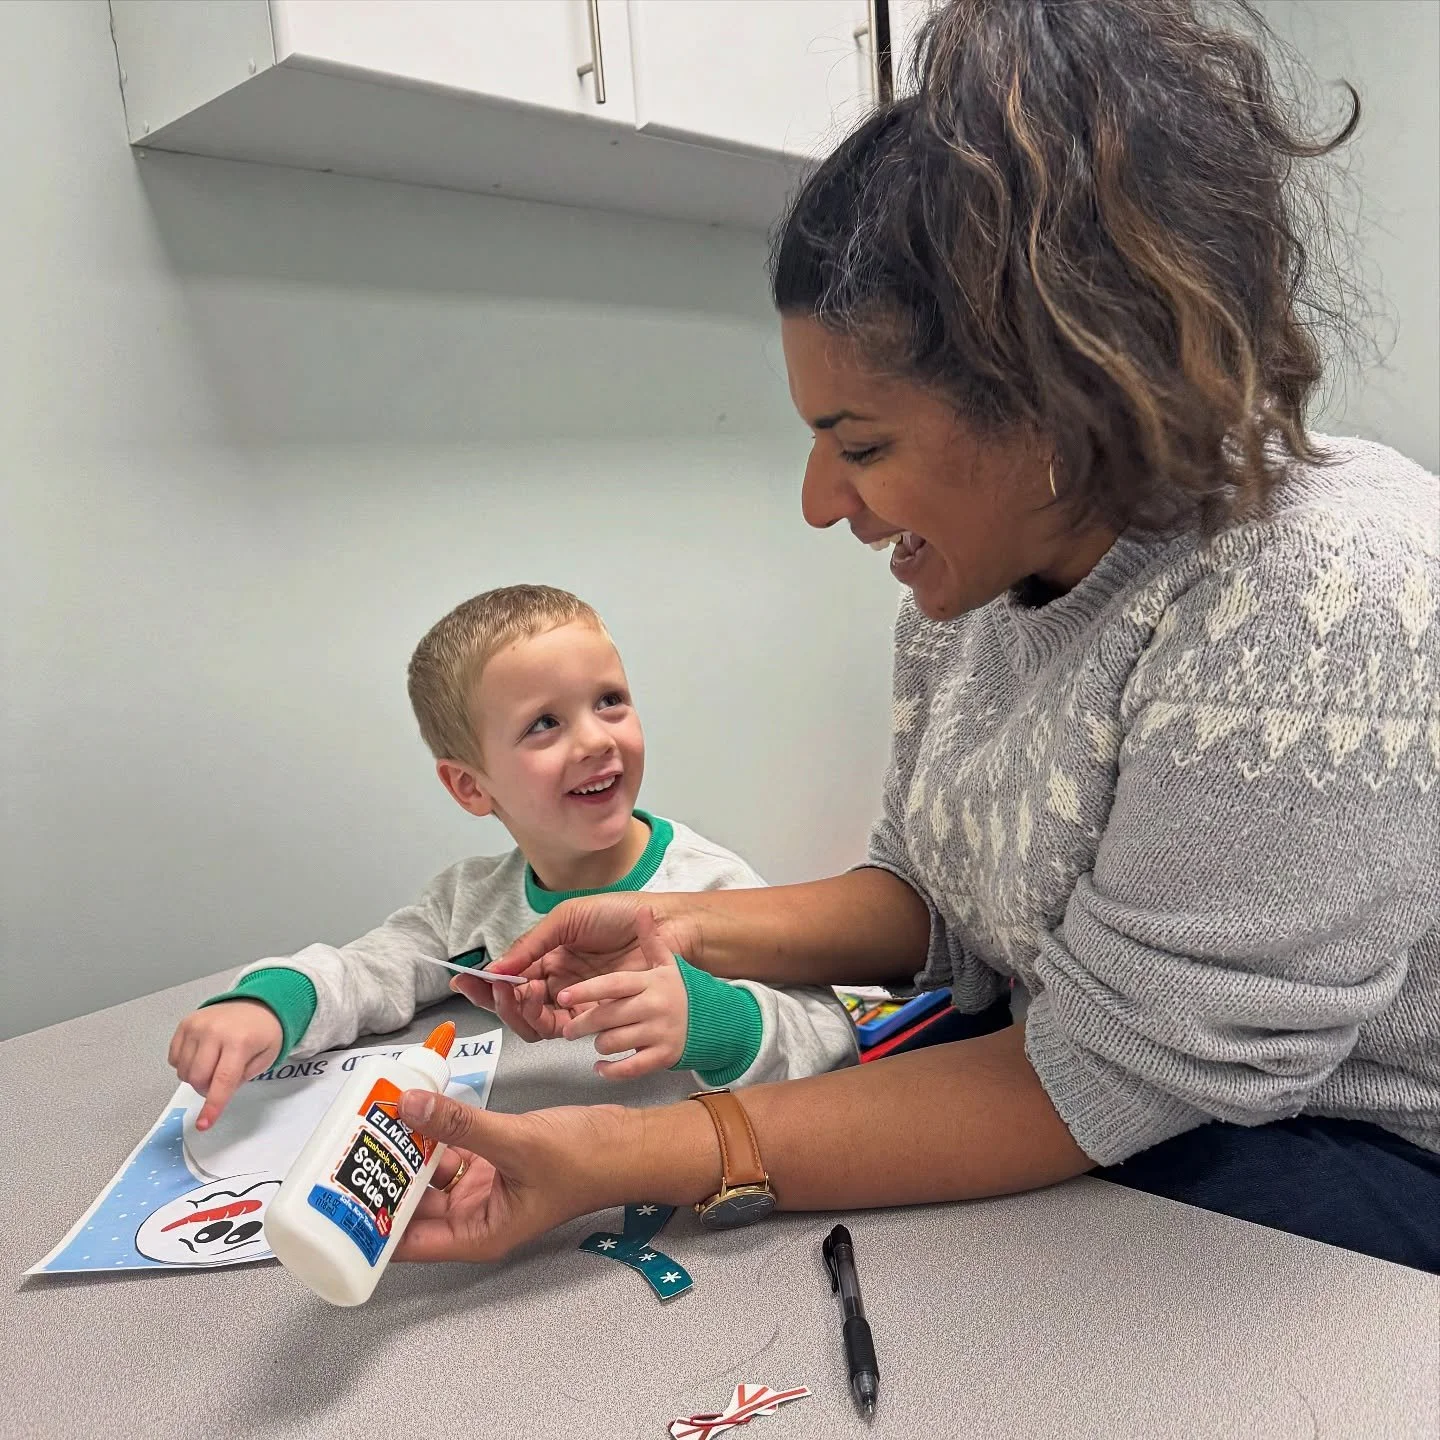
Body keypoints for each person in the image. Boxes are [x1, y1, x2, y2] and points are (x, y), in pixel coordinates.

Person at [394, 0, 1440, 1274]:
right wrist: (682, 925)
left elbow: (1119, 1077)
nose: (819, 501)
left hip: (1353, 1145)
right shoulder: (972, 597)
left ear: (1068, 390)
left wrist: (625, 1161)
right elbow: (935, 897)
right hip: (1106, 1075)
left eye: (864, 444)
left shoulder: (1321, 589)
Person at [167, 585, 855, 1128]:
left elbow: (833, 1043)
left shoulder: (712, 888)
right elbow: (369, 971)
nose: (595, 740)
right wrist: (268, 1005)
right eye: (545, 724)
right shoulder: (467, 905)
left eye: (610, 701)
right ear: (470, 785)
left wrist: (711, 1023)